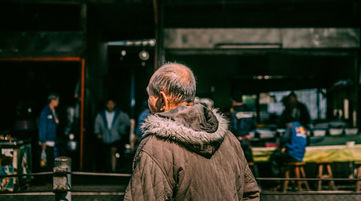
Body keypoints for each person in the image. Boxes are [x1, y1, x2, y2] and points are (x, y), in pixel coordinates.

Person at [124, 63, 260, 201]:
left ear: (162, 99)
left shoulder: (155, 147)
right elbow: (250, 194)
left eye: (150, 96)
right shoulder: (229, 139)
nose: (148, 101)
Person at [270, 107, 308, 186]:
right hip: (301, 154)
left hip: (292, 154)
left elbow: (284, 139)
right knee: (281, 157)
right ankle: (286, 180)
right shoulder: (302, 127)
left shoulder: (290, 126)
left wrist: (282, 144)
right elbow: (306, 141)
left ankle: (277, 183)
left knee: (274, 157)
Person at [94, 99, 130, 172]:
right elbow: (97, 124)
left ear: (114, 105)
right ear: (106, 105)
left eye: (112, 104)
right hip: (105, 137)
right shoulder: (101, 115)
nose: (110, 106)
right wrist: (98, 132)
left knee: (113, 151)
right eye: (108, 104)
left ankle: (113, 169)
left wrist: (121, 130)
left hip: (115, 137)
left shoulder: (119, 114)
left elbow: (126, 122)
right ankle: (108, 168)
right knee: (106, 153)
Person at [39, 93, 60, 170]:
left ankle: (49, 179)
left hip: (52, 140)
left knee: (51, 161)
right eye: (57, 100)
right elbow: (42, 126)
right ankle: (45, 180)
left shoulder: (54, 111)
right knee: (45, 162)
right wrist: (43, 140)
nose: (58, 102)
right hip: (47, 141)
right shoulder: (45, 112)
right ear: (52, 100)